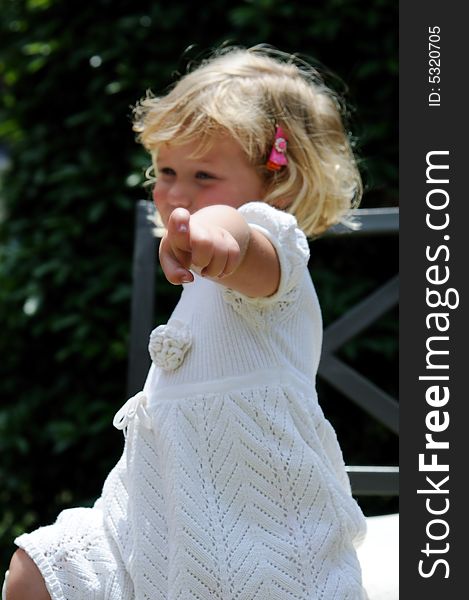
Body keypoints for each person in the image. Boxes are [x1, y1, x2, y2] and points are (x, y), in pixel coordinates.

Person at [5, 45, 367, 600]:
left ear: (280, 184)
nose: (178, 193)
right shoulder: (203, 272)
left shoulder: (274, 259)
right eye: (167, 171)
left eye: (204, 175)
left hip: (255, 524)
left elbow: (242, 230)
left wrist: (219, 232)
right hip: (153, 510)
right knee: (35, 573)